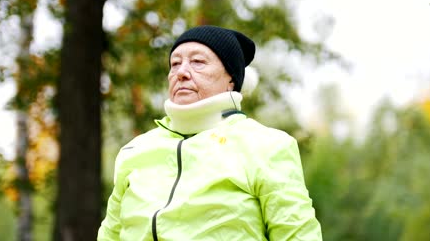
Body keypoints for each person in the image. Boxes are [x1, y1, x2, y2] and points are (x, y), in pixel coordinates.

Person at [98, 25, 322, 240]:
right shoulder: (135, 150)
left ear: (231, 79)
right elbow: (110, 235)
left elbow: (298, 236)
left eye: (197, 62)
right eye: (175, 64)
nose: (181, 72)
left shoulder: (266, 145)